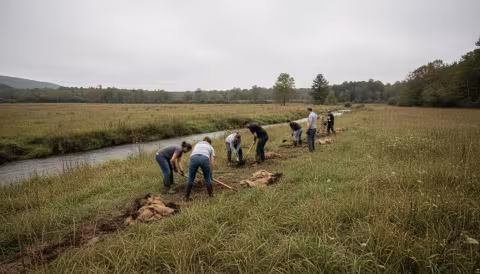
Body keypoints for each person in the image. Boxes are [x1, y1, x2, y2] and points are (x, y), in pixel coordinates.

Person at [185, 137, 215, 201]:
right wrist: (211, 173)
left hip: (193, 159)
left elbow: (191, 156)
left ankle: (186, 197)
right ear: (209, 143)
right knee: (207, 178)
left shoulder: (196, 145)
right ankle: (211, 196)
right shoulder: (210, 147)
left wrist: (193, 167)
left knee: (190, 177)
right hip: (204, 159)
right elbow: (212, 161)